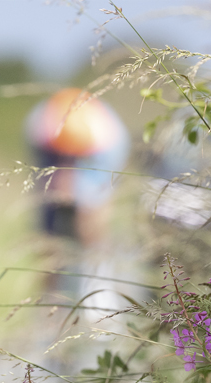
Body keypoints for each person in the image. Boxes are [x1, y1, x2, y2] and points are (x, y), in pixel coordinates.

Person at [26, 88, 130, 296]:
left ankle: (99, 293)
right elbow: (46, 175)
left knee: (92, 222)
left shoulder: (108, 137)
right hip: (51, 149)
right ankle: (49, 300)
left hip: (98, 157)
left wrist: (88, 202)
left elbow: (99, 192)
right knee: (49, 226)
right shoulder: (38, 127)